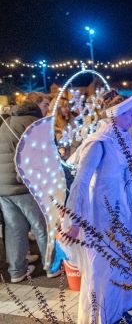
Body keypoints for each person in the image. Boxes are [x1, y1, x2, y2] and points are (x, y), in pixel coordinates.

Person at [61, 93, 132, 323]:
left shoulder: (123, 136)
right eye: (129, 114)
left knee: (124, 258)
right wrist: (73, 220)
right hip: (103, 215)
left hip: (123, 211)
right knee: (105, 265)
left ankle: (121, 308)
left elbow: (130, 174)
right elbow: (81, 181)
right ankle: (102, 315)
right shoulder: (99, 142)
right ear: (116, 115)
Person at [0, 92, 59, 283]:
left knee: (13, 228)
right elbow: (44, 154)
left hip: (3, 187)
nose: (48, 108)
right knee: (42, 225)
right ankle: (51, 266)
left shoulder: (7, 122)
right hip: (25, 185)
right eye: (46, 104)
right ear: (35, 106)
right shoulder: (34, 123)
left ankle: (17, 271)